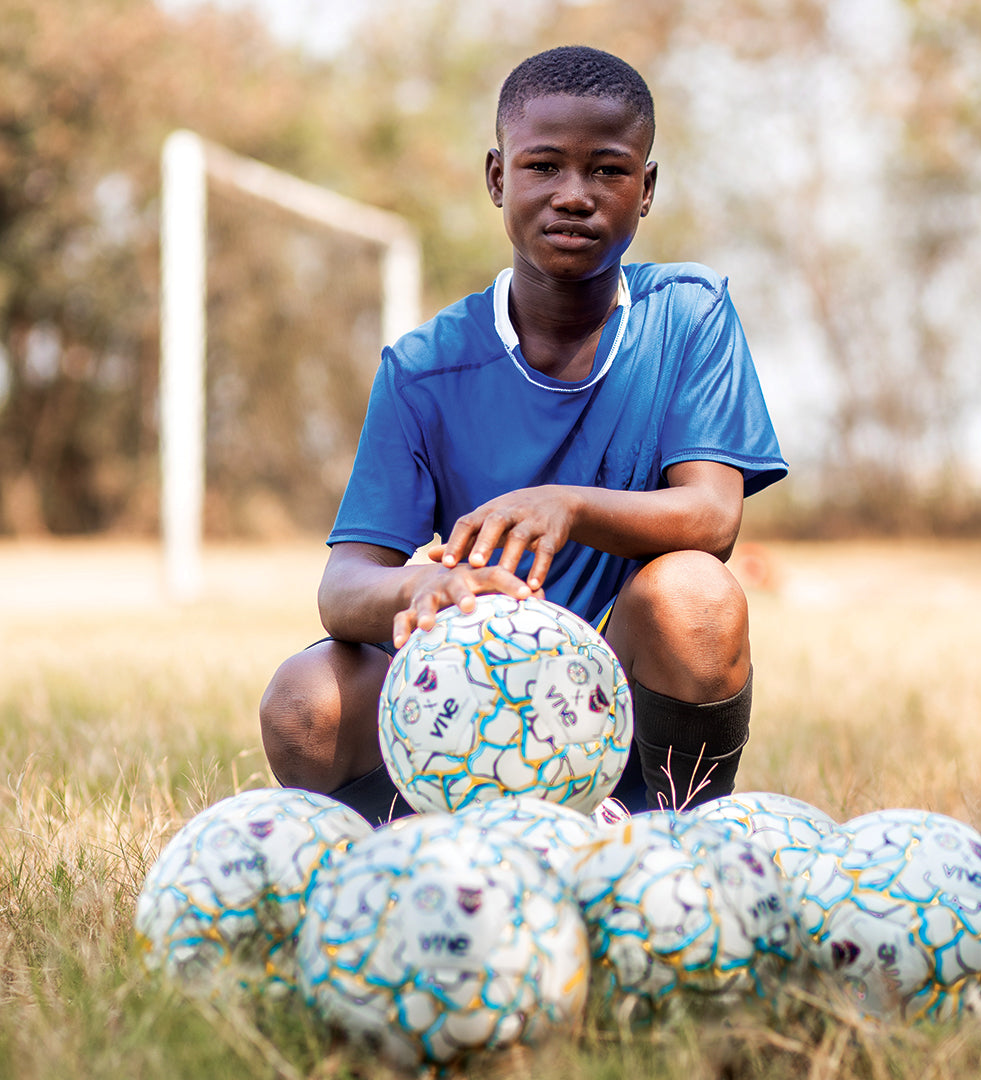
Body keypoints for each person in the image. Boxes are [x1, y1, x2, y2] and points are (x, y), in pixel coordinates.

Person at [259, 45, 788, 823]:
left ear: (645, 189)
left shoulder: (689, 314)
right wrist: (421, 588)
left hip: (620, 689)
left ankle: (675, 837)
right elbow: (342, 589)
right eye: (543, 166)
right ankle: (425, 842)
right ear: (498, 177)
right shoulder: (425, 367)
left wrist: (566, 505)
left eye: (607, 170)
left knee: (694, 595)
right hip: (471, 696)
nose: (574, 195)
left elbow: (712, 517)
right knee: (305, 701)